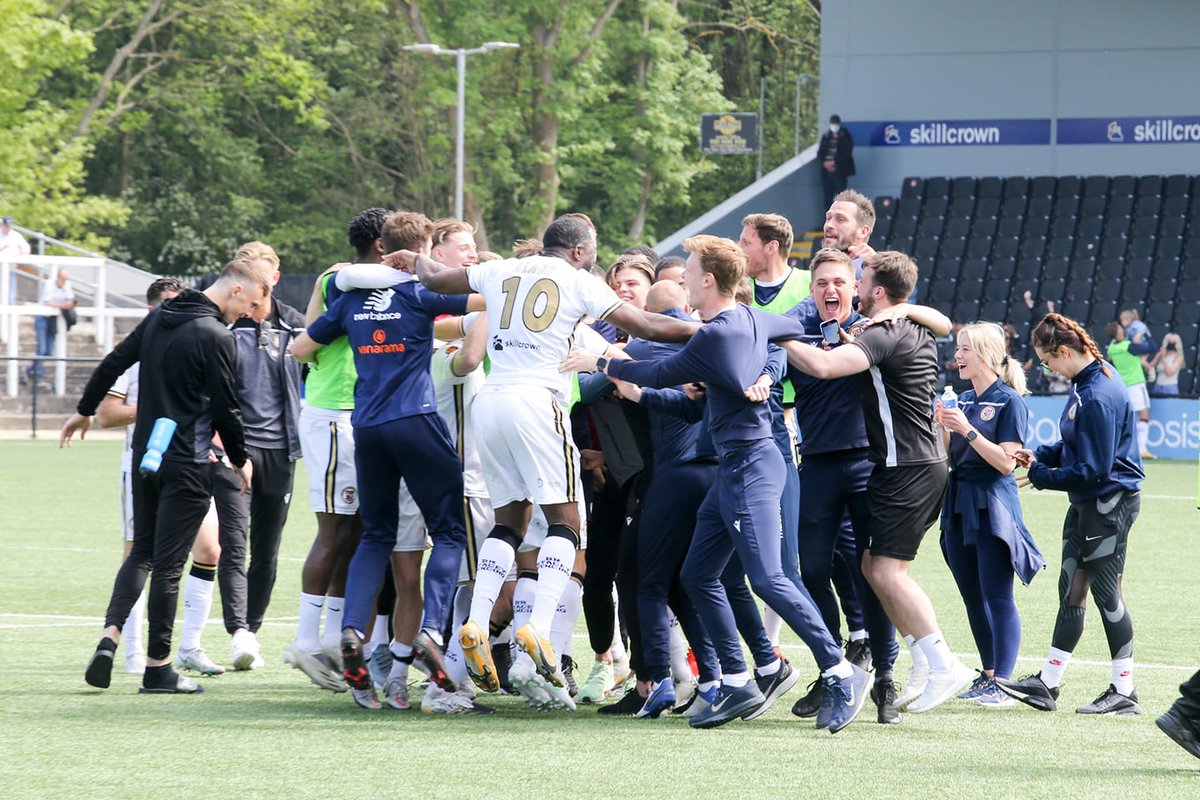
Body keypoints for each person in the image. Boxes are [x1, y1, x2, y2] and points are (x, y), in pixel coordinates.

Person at [561, 235, 872, 734]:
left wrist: (599, 362)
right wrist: (764, 366)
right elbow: (790, 327)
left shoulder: (718, 333)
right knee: (699, 574)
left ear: (708, 280)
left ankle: (839, 672)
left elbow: (656, 370)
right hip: (732, 469)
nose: (682, 276)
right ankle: (738, 680)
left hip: (752, 466)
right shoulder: (749, 318)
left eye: (688, 270)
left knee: (769, 578)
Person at [391, 213, 699, 701]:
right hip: (538, 402)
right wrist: (710, 330)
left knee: (509, 523)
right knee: (567, 523)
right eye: (592, 249)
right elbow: (646, 324)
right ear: (578, 251)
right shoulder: (578, 281)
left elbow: (434, 279)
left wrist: (413, 258)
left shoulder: (498, 270)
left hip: (491, 403)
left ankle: (476, 621)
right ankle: (537, 626)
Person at [780, 250, 973, 715]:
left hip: (896, 466)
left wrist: (774, 333)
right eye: (823, 282)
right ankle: (905, 662)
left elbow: (825, 366)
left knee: (884, 572)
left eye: (853, 280)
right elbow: (941, 323)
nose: (842, 289)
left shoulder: (882, 332)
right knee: (864, 567)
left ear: (868, 290)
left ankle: (924, 666)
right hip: (882, 465)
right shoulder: (894, 325)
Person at [291, 210, 470, 710]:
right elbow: (483, 297)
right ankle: (431, 633)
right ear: (424, 249)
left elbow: (300, 348)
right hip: (416, 421)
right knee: (449, 532)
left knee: (374, 536)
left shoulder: (349, 299)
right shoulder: (421, 293)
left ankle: (351, 631)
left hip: (366, 428)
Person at [63, 259, 266, 694]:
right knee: (170, 568)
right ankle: (158, 669)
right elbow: (226, 408)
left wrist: (83, 410)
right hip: (188, 461)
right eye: (250, 304)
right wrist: (239, 457)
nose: (249, 313)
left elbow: (113, 362)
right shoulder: (216, 335)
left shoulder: (159, 319)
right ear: (235, 290)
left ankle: (110, 636)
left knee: (141, 553)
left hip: (147, 456)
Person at [998, 313, 1145, 716]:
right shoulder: (1088, 382)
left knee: (1106, 595)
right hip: (1088, 504)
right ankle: (1048, 683)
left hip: (1107, 503)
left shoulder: (1098, 394)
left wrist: (1042, 476)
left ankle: (1124, 691)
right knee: (1071, 590)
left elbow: (1094, 469)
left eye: (1048, 362)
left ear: (1063, 351)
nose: (1048, 370)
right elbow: (1075, 444)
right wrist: (1040, 455)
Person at [934, 322, 1044, 708]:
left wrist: (967, 430)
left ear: (986, 355)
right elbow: (948, 457)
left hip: (992, 502)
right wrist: (942, 428)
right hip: (958, 500)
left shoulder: (1010, 401)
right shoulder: (961, 399)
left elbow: (1006, 463)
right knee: (971, 595)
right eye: (958, 348)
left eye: (965, 349)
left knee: (997, 594)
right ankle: (989, 673)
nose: (957, 356)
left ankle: (1004, 683)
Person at [211, 242, 306, 671]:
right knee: (234, 543)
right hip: (235, 452)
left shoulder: (296, 326)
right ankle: (239, 634)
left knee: (267, 552)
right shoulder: (223, 326)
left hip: (282, 453)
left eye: (263, 275)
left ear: (275, 278)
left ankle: (252, 628)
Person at [1105, 321, 1155, 459]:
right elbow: (1153, 347)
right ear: (1118, 332)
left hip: (1124, 387)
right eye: (1120, 328)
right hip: (1137, 384)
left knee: (1127, 419)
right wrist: (1146, 333)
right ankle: (1142, 449)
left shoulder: (1111, 349)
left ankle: (1123, 450)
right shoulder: (1128, 346)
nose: (1123, 329)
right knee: (1144, 416)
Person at [29, 268, 75, 384]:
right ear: (58, 277)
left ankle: (30, 369)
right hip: (42, 318)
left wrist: (62, 304)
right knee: (41, 349)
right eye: (63, 278)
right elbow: (47, 302)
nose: (64, 281)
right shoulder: (49, 284)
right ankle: (39, 376)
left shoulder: (67, 284)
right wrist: (63, 305)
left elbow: (70, 301)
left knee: (48, 351)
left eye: (66, 279)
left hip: (52, 319)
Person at [817, 115, 856, 216]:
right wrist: (825, 163)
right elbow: (820, 153)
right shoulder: (826, 136)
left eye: (836, 124)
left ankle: (840, 217)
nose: (834, 126)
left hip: (839, 170)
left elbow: (847, 153)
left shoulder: (845, 136)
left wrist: (834, 162)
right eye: (833, 123)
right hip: (826, 171)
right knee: (827, 196)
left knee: (841, 197)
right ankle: (829, 218)